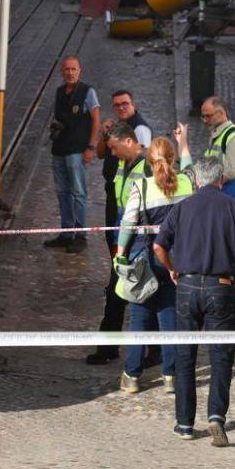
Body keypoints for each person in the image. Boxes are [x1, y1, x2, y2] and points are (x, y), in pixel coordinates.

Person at [153, 156, 235, 446]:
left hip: (185, 286)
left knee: (185, 355)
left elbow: (158, 245)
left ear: (196, 180)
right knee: (221, 355)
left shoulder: (181, 208)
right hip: (221, 286)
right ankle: (215, 416)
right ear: (221, 180)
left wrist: (173, 268)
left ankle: (185, 423)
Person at [116, 136, 194, 394]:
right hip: (177, 259)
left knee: (139, 316)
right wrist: (184, 143)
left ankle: (132, 375)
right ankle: (170, 376)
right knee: (169, 314)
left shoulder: (143, 187)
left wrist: (119, 254)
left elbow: (128, 224)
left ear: (150, 162)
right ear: (172, 160)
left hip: (148, 259)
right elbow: (191, 169)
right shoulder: (186, 182)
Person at [86, 92, 152, 366]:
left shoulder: (142, 155)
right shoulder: (122, 163)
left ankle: (126, 351)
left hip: (137, 241)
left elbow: (137, 212)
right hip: (122, 231)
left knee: (132, 293)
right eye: (117, 105)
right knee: (122, 289)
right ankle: (118, 348)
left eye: (125, 104)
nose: (112, 154)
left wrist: (121, 247)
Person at [45, 55, 100, 254]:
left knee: (78, 192)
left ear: (79, 71)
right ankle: (67, 232)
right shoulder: (60, 92)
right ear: (62, 72)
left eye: (73, 69)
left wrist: (91, 147)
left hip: (77, 150)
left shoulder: (88, 91)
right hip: (59, 149)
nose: (70, 73)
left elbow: (96, 120)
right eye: (67, 69)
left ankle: (81, 234)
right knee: (62, 192)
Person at [196, 96, 235, 202]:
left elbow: (230, 171)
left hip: (228, 191)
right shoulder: (217, 134)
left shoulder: (234, 137)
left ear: (221, 113)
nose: (205, 120)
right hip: (217, 190)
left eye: (208, 116)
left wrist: (209, 185)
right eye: (203, 116)